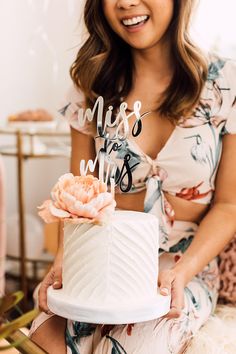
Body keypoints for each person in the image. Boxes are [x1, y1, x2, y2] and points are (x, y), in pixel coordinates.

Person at [29, 0, 236, 353]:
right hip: (101, 262)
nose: (126, 2)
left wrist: (181, 274)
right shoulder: (90, 87)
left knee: (130, 346)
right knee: (45, 338)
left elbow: (229, 205)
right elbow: (77, 197)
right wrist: (63, 263)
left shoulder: (224, 84)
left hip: (183, 264)